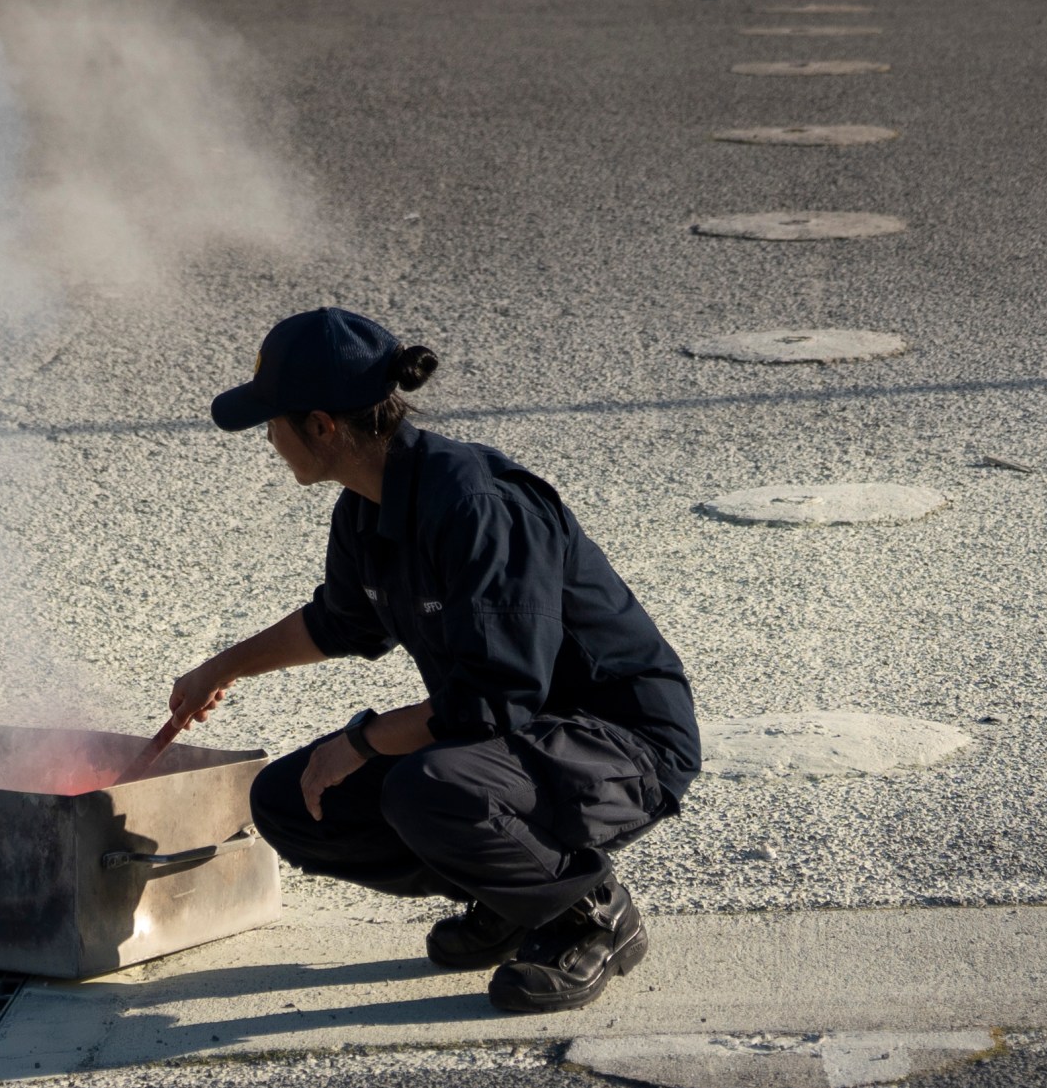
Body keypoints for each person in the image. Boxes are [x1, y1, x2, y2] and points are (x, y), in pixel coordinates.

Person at [167, 306, 699, 1013]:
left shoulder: (476, 505)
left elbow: (495, 697)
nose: (269, 438)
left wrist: (358, 741)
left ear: (322, 426)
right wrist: (221, 667)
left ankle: (587, 911)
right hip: (510, 741)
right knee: (287, 802)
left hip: (621, 746)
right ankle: (513, 891)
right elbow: (340, 622)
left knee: (428, 786)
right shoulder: (367, 506)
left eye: (273, 422)